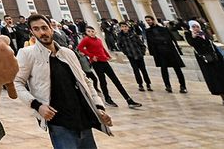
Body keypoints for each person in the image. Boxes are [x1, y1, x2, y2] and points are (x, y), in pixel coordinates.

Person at [15, 14, 114, 148]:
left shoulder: (68, 53)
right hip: (59, 123)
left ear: (51, 28)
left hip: (82, 118)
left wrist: (98, 107)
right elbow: (17, 83)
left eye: (44, 28)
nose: (42, 32)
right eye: (36, 29)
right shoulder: (27, 54)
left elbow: (85, 81)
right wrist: (38, 106)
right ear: (32, 32)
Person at [77, 27, 142, 108]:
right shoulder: (86, 39)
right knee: (103, 81)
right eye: (89, 31)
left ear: (95, 32)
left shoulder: (98, 40)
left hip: (104, 61)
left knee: (116, 80)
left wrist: (108, 55)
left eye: (92, 31)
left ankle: (129, 100)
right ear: (86, 33)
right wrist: (91, 56)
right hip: (96, 63)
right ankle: (107, 99)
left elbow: (102, 49)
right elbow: (80, 48)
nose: (91, 33)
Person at [184, 20, 224, 105]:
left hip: (216, 58)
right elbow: (192, 44)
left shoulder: (203, 33)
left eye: (197, 26)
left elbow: (211, 43)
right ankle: (222, 96)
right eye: (193, 26)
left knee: (222, 75)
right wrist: (193, 37)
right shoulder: (189, 35)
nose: (196, 28)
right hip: (205, 60)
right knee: (214, 78)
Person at [144, 15, 186, 93]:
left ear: (153, 20)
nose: (148, 22)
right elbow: (150, 43)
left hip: (170, 51)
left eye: (149, 20)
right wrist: (152, 53)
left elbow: (170, 39)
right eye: (146, 20)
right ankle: (167, 85)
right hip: (160, 53)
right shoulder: (148, 31)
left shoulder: (163, 29)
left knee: (177, 69)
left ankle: (183, 86)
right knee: (164, 69)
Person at [115, 22, 151, 91]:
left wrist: (142, 51)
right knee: (136, 70)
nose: (124, 28)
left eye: (125, 26)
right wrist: (125, 52)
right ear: (121, 28)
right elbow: (119, 45)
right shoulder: (120, 36)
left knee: (143, 70)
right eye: (122, 26)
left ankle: (148, 84)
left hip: (139, 54)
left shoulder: (133, 34)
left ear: (128, 27)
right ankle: (140, 84)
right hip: (131, 56)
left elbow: (141, 43)